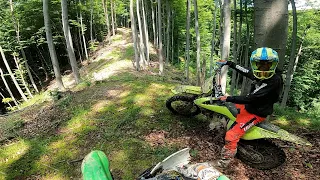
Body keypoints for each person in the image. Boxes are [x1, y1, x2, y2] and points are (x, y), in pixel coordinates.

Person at [214, 47, 283, 168]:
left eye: (267, 65)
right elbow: (247, 71)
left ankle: (223, 163)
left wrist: (228, 98)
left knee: (231, 136)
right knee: (227, 107)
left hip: (256, 113)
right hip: (250, 106)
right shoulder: (261, 74)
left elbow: (251, 98)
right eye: (260, 65)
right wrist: (229, 63)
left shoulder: (273, 81)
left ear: (273, 65)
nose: (263, 68)